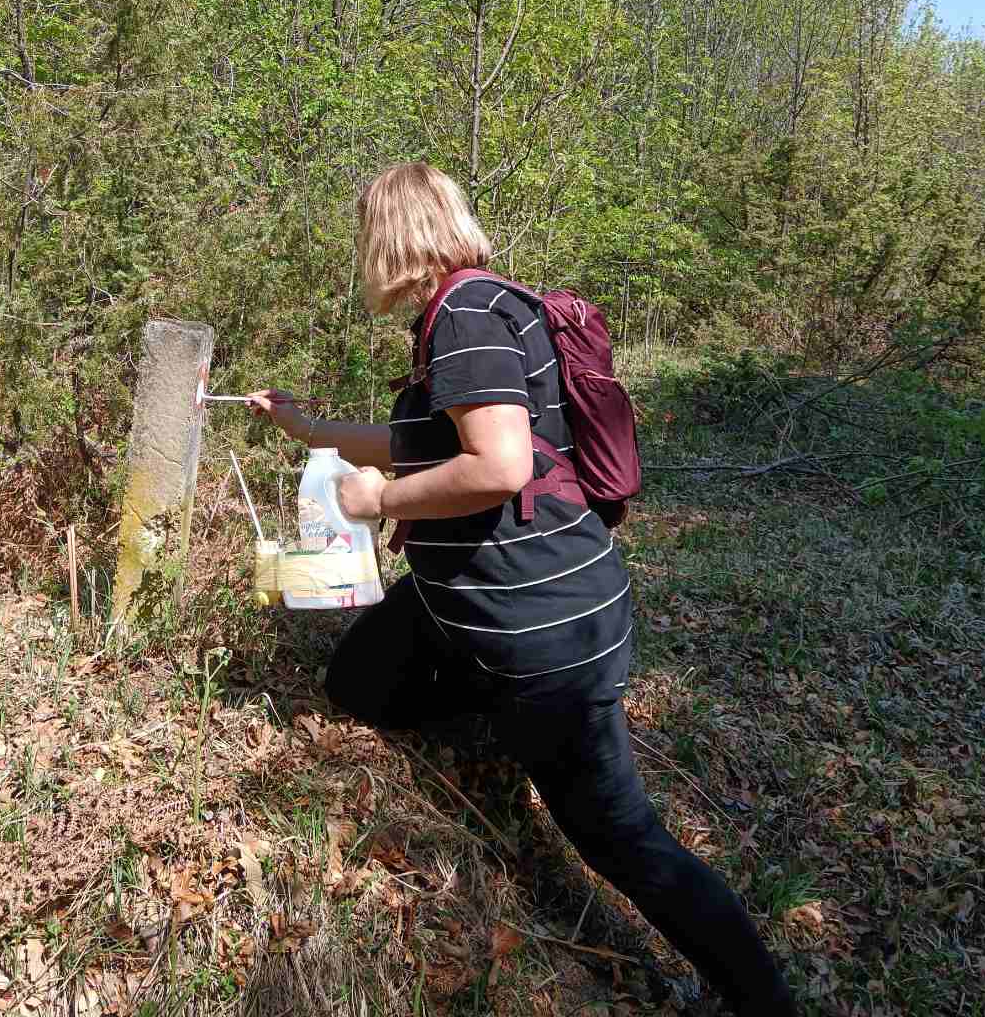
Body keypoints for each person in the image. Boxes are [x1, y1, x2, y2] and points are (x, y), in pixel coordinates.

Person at [246, 162, 796, 1016]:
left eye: (365, 236)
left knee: (623, 840)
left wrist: (379, 501)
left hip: (544, 632)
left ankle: (763, 1000)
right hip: (488, 601)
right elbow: (422, 441)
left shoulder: (464, 319)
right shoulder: (479, 306)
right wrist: (309, 428)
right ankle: (496, 717)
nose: (361, 254)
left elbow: (498, 466)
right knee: (357, 679)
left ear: (393, 237)